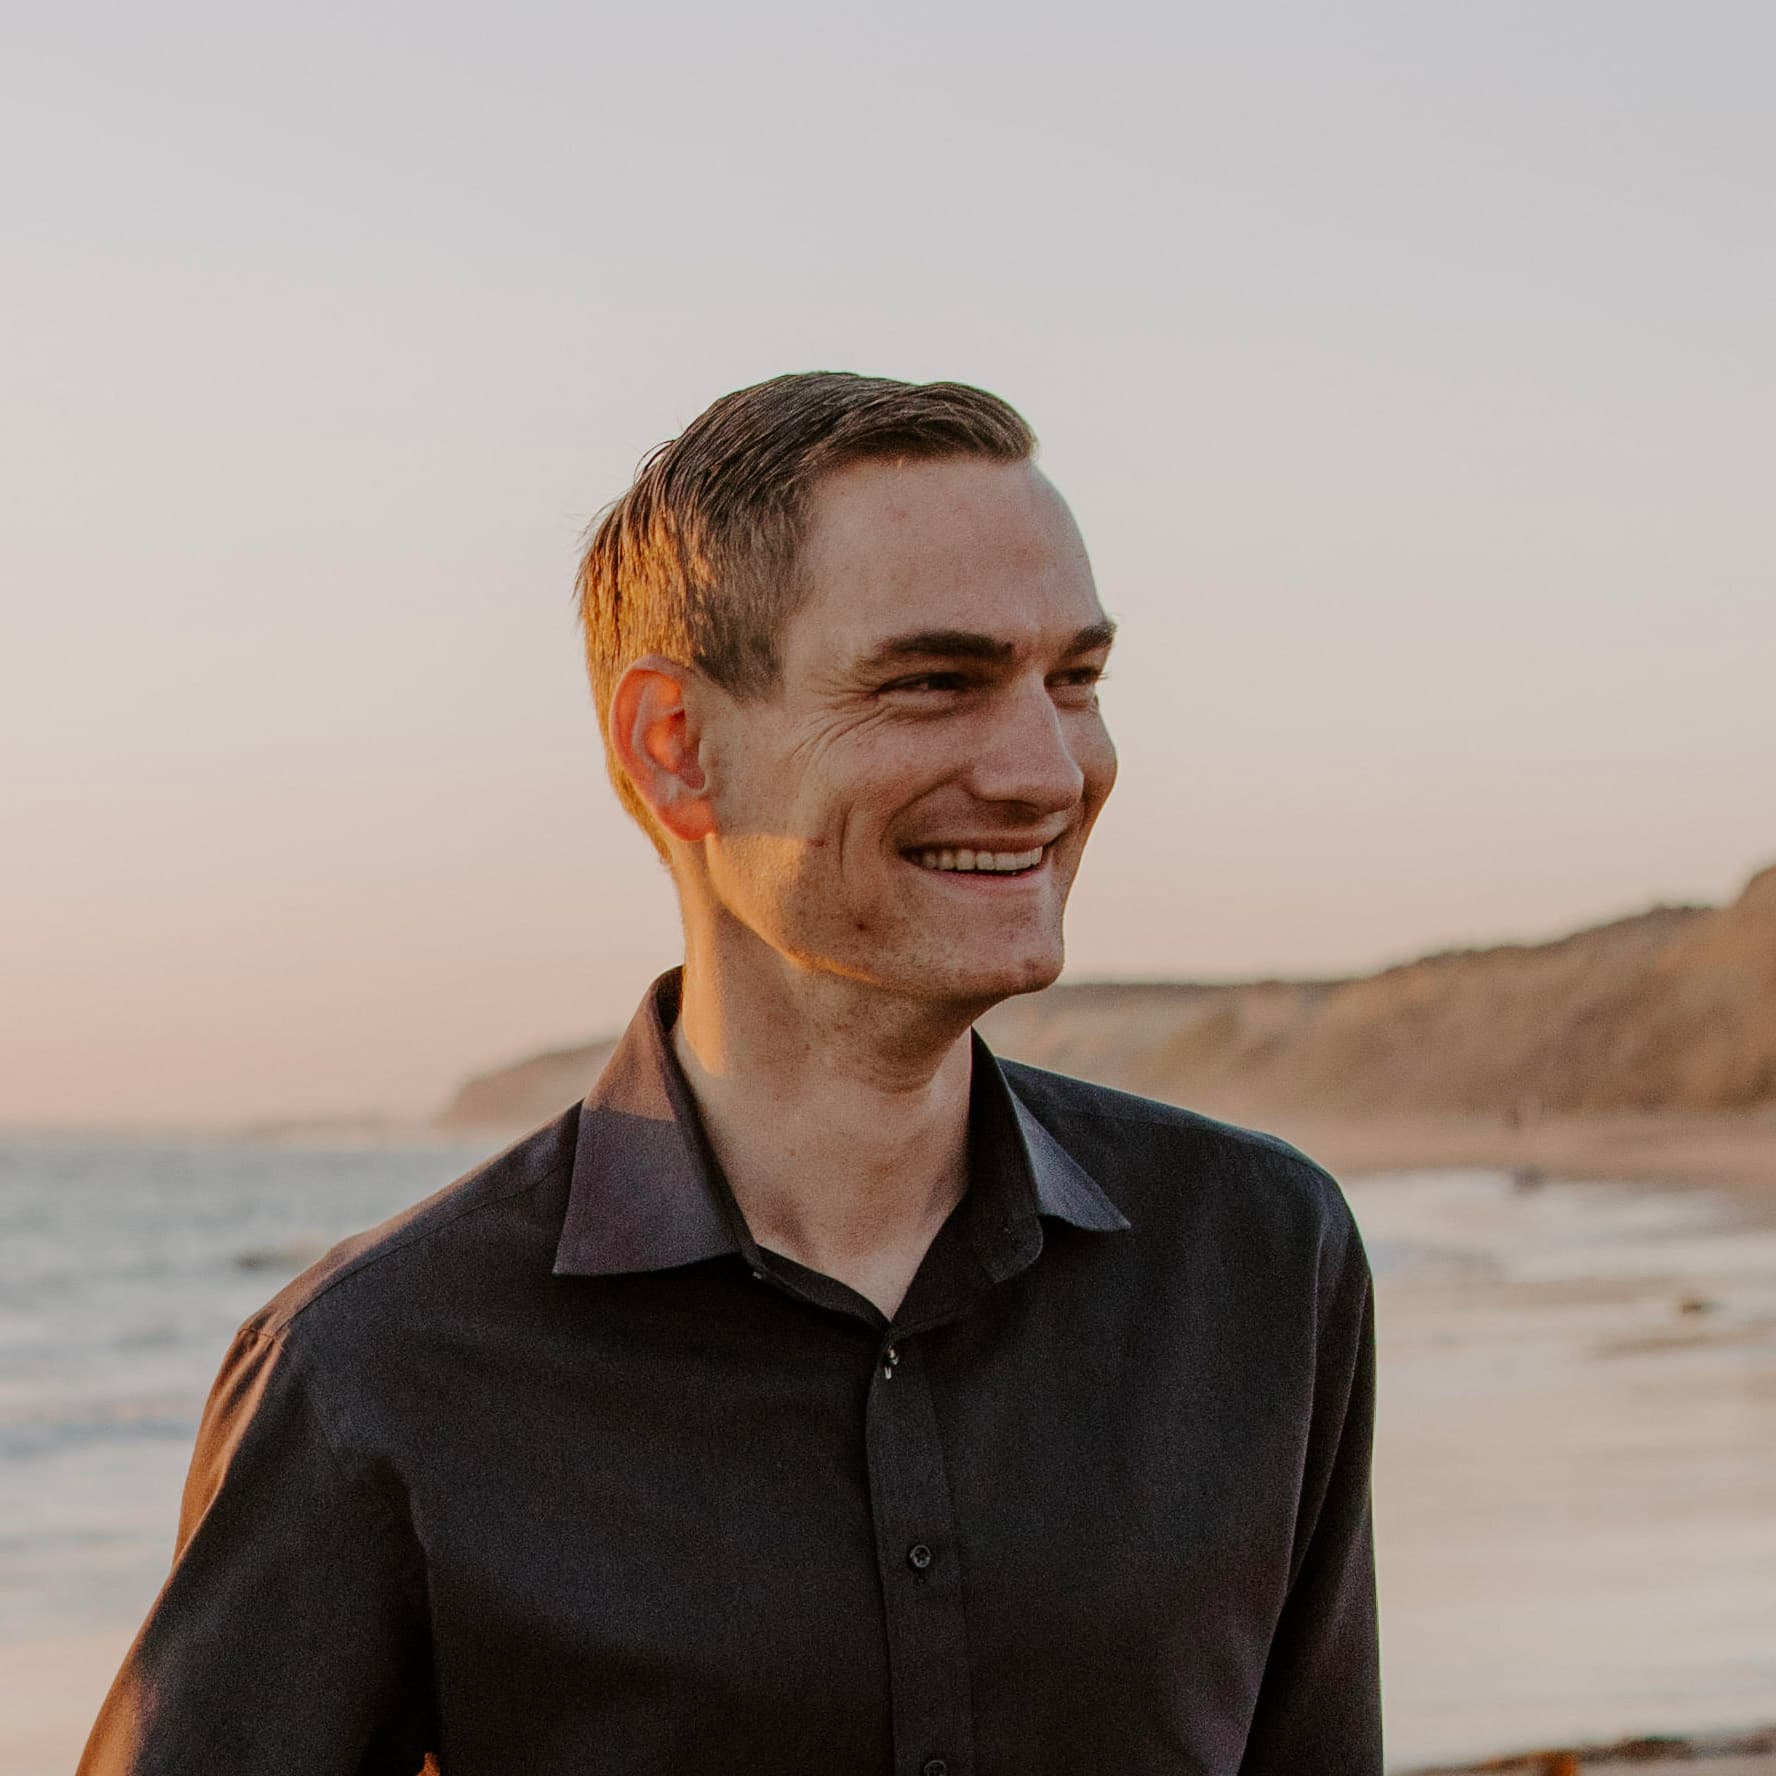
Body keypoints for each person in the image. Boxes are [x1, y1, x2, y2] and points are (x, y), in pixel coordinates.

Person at [80, 372, 1381, 1774]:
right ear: (676, 749)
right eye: (935, 683)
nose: (1046, 770)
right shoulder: (377, 1368)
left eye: (1074, 679)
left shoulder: (1257, 1258)